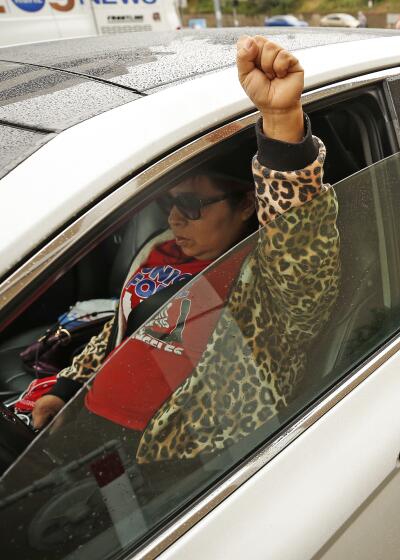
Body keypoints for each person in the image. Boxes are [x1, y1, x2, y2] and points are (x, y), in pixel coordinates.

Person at [26, 35, 340, 465]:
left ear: (247, 202)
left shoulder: (266, 283)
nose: (174, 219)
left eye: (191, 204)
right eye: (168, 203)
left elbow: (299, 245)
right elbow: (124, 330)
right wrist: (65, 389)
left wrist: (281, 119)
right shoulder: (162, 251)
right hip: (91, 433)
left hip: (177, 469)